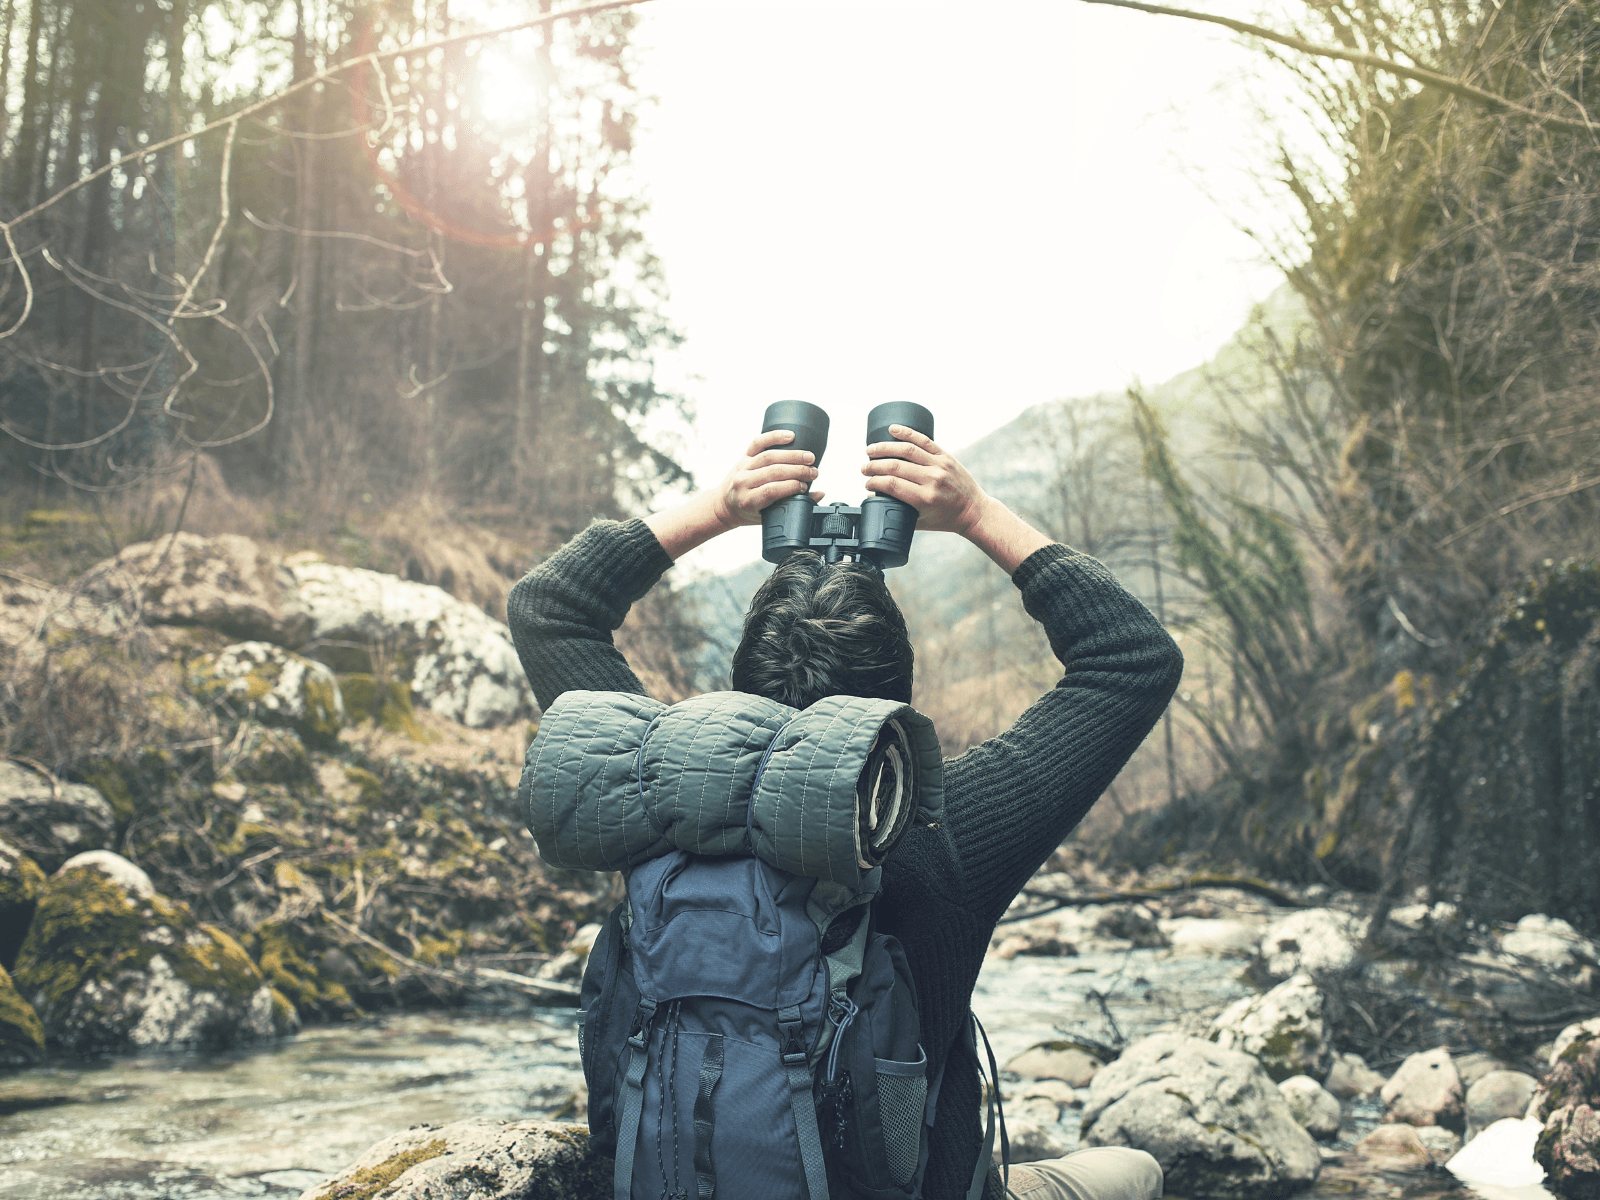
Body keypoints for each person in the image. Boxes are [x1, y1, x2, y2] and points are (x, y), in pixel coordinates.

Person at [508, 423, 1183, 1200]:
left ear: (741, 681)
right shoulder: (944, 826)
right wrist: (973, 512)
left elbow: (548, 606)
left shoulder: (654, 788)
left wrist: (720, 508)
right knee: (1135, 1171)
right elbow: (1133, 655)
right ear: (898, 705)